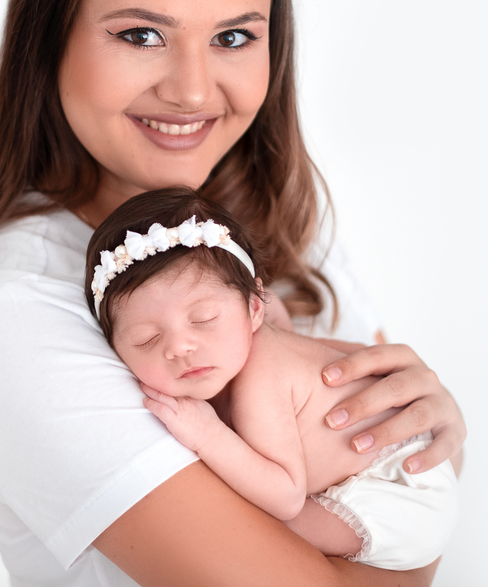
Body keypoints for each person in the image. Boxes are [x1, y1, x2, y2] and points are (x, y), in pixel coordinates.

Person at [0, 0, 466, 587]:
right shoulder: (23, 310)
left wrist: (438, 443)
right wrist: (424, 526)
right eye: (141, 34)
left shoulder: (287, 229)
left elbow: (399, 453)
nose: (192, 90)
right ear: (50, 37)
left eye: (232, 37)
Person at [84, 187, 459, 570]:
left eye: (204, 319)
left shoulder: (260, 376)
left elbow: (286, 496)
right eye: (146, 339)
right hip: (400, 468)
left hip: (399, 491)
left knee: (260, 519)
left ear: (254, 309)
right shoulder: (254, 331)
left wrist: (207, 434)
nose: (180, 347)